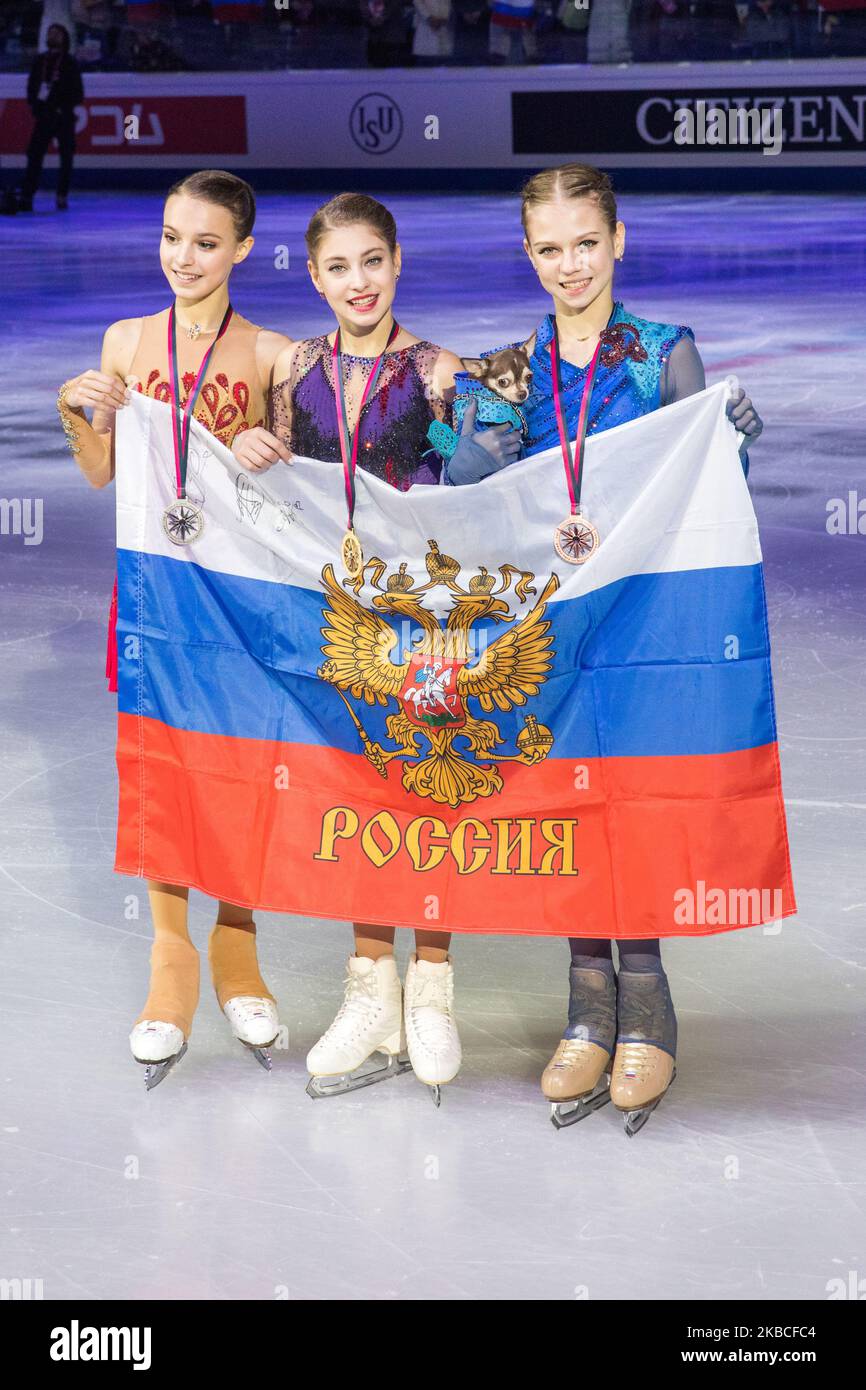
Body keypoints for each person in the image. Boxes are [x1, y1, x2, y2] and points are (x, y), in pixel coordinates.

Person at [444, 162, 764, 1135]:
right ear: (528, 253)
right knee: (569, 808)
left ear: (616, 240)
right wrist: (472, 460)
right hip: (547, 634)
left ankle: (647, 998)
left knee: (633, 807)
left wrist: (733, 443)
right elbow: (461, 509)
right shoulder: (505, 372)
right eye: (549, 248)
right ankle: (588, 999)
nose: (569, 264)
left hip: (642, 623)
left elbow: (701, 489)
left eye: (585, 243)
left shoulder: (664, 353)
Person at [233, 193, 476, 1105]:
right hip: (338, 619)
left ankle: (432, 987)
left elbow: (477, 484)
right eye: (338, 267)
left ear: (398, 261)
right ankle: (370, 983)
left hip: (427, 619)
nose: (357, 282)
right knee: (361, 791)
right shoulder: (297, 370)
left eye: (372, 261)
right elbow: (278, 487)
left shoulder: (440, 370)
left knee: (430, 789)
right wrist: (250, 446)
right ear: (313, 275)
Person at [55, 169, 294, 1088]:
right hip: (154, 596)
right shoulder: (123, 341)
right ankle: (170, 958)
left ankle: (237, 946)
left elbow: (292, 497)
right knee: (160, 766)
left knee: (236, 767)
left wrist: (269, 458)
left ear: (240, 249)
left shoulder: (271, 354)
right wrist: (82, 414)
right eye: (170, 237)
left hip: (236, 602)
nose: (182, 258)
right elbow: (99, 475)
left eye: (204, 242)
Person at [19, 23, 82, 213]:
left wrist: (63, 107)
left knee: (66, 157)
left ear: (64, 38)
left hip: (63, 116)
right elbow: (32, 87)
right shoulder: (40, 61)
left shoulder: (70, 63)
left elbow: (78, 92)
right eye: (50, 33)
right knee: (34, 154)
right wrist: (36, 107)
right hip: (44, 115)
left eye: (56, 34)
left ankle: (61, 195)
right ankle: (27, 194)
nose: (52, 36)